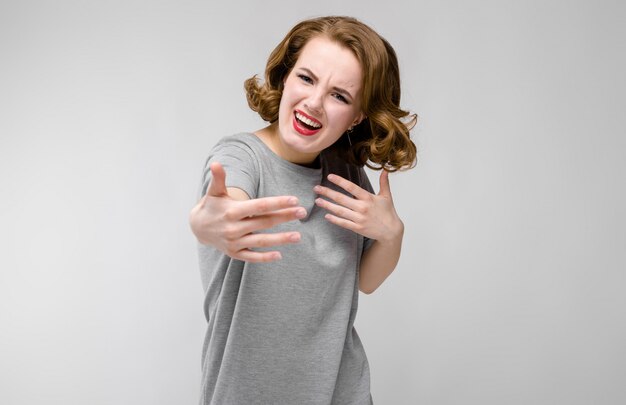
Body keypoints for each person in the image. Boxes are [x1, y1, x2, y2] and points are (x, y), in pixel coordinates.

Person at [189, 16, 417, 404]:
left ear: (358, 115)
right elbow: (225, 208)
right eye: (306, 79)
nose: (314, 102)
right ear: (285, 77)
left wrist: (392, 234)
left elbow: (365, 280)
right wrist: (207, 221)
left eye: (340, 96)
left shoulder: (346, 174)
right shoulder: (242, 157)